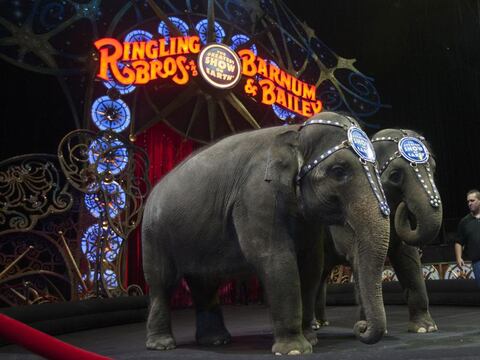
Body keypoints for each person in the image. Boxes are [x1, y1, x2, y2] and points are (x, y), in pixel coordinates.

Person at [455, 189, 480, 286]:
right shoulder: (464, 222)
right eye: (468, 201)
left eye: (472, 200)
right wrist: (458, 257)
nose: (469, 203)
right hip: (477, 262)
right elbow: (458, 241)